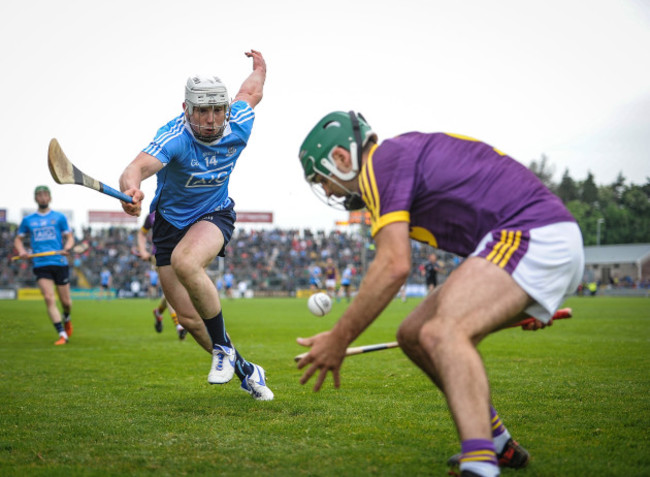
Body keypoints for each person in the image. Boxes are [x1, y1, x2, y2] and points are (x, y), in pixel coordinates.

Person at [295, 111, 584, 476]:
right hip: (527, 240)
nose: (328, 191)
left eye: (323, 181)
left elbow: (393, 265)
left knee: (442, 331)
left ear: (340, 158)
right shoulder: (390, 167)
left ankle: (480, 465)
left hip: (532, 233)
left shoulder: (382, 165)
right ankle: (495, 441)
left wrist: (339, 338)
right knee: (414, 334)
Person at [119, 50, 273, 400]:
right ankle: (247, 370)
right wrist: (132, 189)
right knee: (188, 319)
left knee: (186, 261)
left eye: (217, 109)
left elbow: (251, 93)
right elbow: (137, 167)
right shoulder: (174, 137)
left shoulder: (238, 123)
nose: (210, 118)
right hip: (169, 226)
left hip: (214, 214)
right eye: (202, 110)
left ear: (226, 110)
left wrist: (261, 69)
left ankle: (222, 349)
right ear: (187, 109)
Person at [14, 186, 74, 345]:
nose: (42, 197)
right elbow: (18, 239)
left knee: (66, 302)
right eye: (39, 195)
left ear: (50, 198)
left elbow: (69, 237)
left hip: (59, 262)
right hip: (40, 264)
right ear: (35, 198)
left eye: (45, 194)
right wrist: (21, 251)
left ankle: (67, 318)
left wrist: (67, 248)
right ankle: (62, 334)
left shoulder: (59, 217)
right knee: (48, 298)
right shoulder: (28, 220)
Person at [137, 211, 187, 340]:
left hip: (179, 254)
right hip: (159, 255)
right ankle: (179, 325)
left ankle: (158, 312)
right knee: (172, 289)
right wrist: (143, 251)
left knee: (173, 290)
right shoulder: (152, 216)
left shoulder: (181, 209)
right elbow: (142, 233)